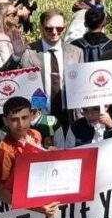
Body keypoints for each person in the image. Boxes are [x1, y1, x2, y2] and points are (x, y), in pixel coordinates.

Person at [15, 10, 84, 148]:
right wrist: (16, 56)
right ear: (41, 27)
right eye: (49, 28)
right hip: (40, 118)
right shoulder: (28, 52)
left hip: (68, 116)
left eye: (59, 29)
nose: (54, 32)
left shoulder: (76, 52)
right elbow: (9, 78)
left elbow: (81, 87)